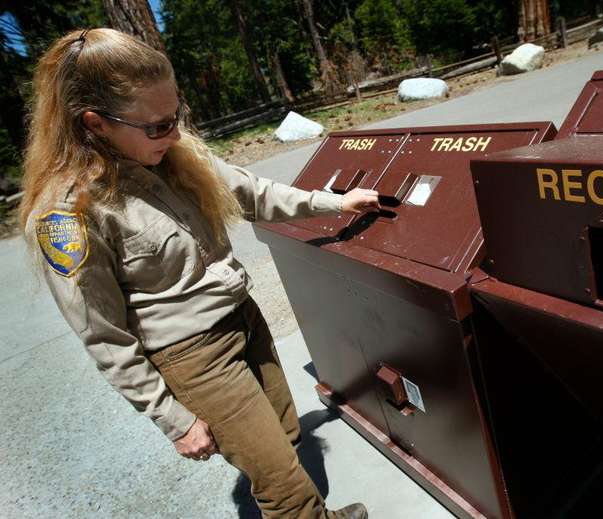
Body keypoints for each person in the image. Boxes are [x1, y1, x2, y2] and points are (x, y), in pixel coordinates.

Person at [20, 28, 378, 519]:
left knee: (286, 434)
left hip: (243, 318)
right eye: (156, 126)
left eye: (176, 116)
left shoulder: (171, 149)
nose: (172, 133)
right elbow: (104, 336)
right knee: (281, 485)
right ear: (95, 124)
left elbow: (252, 191)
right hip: (193, 356)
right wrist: (173, 419)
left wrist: (334, 203)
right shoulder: (68, 213)